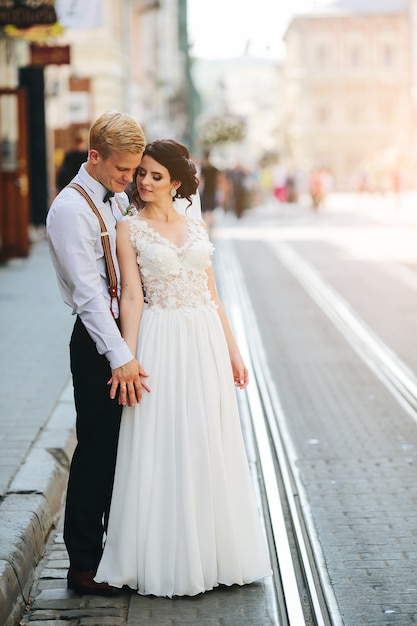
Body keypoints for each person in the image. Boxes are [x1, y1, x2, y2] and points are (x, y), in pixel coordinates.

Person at [94, 139, 272, 597]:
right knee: (161, 440)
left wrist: (233, 350)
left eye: (155, 175)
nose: (145, 182)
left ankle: (213, 552)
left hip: (204, 340)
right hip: (160, 338)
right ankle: (161, 556)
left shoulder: (195, 224)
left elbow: (211, 293)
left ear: (176, 182)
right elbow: (132, 296)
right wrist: (128, 360)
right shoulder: (128, 230)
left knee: (204, 438)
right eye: (141, 174)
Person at [47, 111, 151, 596]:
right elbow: (89, 295)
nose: (129, 180)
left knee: (121, 450)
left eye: (133, 171)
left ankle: (113, 551)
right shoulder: (71, 210)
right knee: (97, 451)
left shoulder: (109, 200)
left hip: (119, 338)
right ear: (94, 156)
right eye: (122, 171)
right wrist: (119, 356)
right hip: (96, 343)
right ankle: (83, 565)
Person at [199, 150, 219, 236]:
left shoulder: (203, 168)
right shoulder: (214, 169)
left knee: (204, 212)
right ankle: (211, 231)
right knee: (210, 212)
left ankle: (205, 230)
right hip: (212, 191)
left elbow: (200, 180)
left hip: (205, 192)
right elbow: (218, 180)